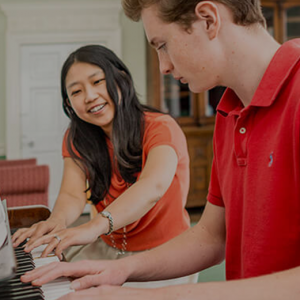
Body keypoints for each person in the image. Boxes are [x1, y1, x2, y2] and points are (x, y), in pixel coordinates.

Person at [21, 0, 300, 299]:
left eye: (162, 45)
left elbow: (153, 186)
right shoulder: (228, 113)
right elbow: (212, 235)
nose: (163, 66)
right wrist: (120, 270)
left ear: (208, 20)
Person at [12, 44, 192, 273]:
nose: (89, 96)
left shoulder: (161, 127)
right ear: (68, 103)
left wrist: (93, 226)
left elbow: (152, 186)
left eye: (97, 82)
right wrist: (57, 220)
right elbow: (71, 194)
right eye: (76, 91)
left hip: (166, 252)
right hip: (107, 247)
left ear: (121, 79)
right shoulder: (76, 138)